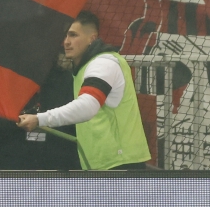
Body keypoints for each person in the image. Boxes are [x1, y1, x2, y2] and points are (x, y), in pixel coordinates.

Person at [18, 11, 152, 171]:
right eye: (66, 36)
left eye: (73, 35)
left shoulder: (103, 63)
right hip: (101, 165)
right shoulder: (83, 69)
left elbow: (87, 107)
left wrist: (39, 119)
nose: (66, 42)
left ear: (92, 39)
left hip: (120, 164)